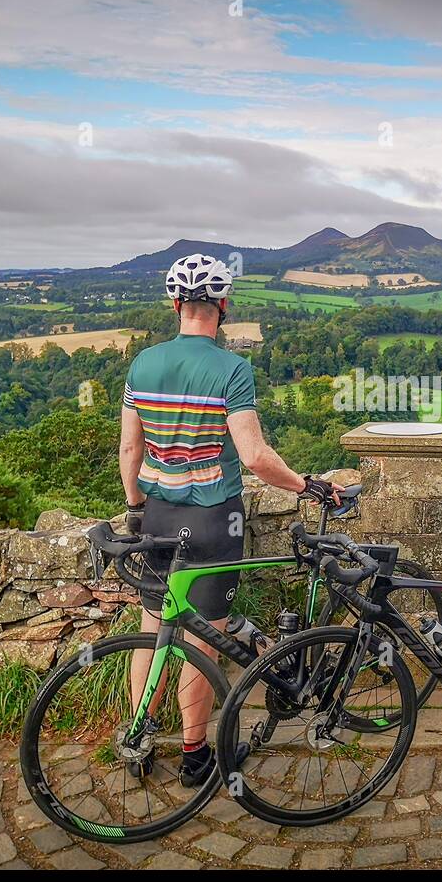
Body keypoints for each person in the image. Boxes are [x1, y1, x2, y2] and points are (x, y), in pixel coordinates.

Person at [119, 253, 339, 783]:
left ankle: (139, 739)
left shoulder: (143, 363)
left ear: (175, 305)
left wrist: (135, 506)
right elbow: (254, 456)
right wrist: (306, 485)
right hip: (215, 519)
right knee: (202, 640)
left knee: (153, 630)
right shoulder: (231, 369)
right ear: (222, 304)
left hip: (157, 516)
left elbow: (130, 448)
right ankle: (196, 756)